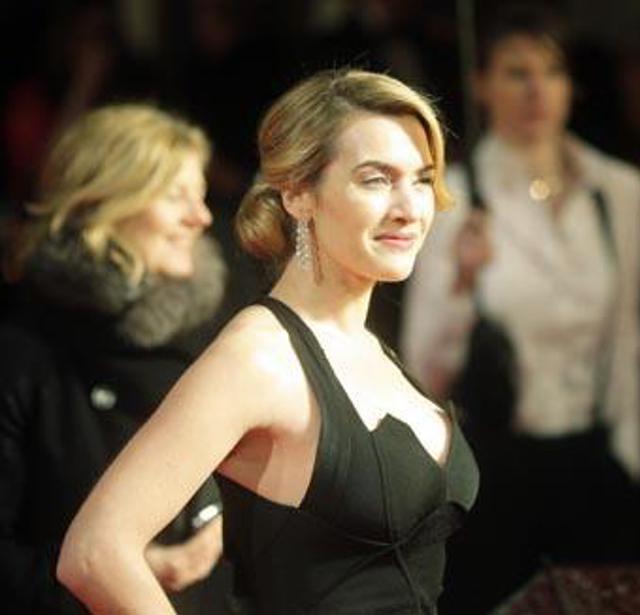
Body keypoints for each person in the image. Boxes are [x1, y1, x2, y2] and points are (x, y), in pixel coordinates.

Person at [56, 69, 479, 614]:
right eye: (376, 179)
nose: (409, 208)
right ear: (298, 194)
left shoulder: (372, 349)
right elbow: (94, 553)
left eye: (421, 179)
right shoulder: (259, 356)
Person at [401, 5, 640, 612]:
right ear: (483, 84)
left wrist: (628, 459)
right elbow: (423, 368)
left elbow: (626, 336)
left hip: (591, 460)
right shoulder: (453, 200)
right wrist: (462, 281)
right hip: (497, 468)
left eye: (551, 72)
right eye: (517, 72)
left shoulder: (617, 190)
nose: (536, 91)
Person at [0, 104, 230, 614]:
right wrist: (116, 574)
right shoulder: (24, 356)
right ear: (104, 202)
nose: (201, 217)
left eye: (200, 196)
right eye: (176, 196)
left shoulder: (214, 341)